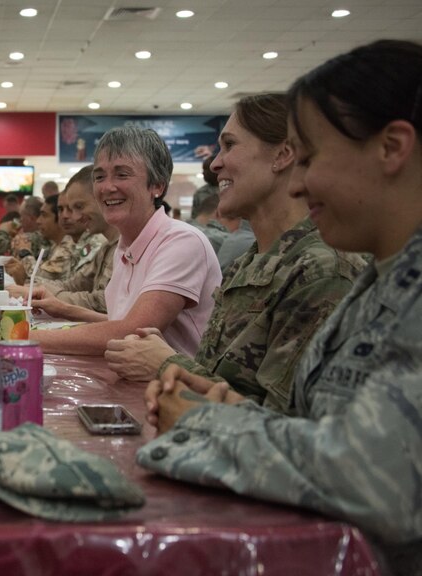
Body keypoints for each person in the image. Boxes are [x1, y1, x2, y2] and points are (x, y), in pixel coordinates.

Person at [137, 40, 422, 575]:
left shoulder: (343, 272)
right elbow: (316, 424)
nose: (297, 182)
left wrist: (205, 424)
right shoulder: (383, 282)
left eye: (310, 158)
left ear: (391, 147)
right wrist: (228, 409)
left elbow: (379, 478)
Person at [104, 94, 366, 416]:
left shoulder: (321, 272)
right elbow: (221, 377)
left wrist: (165, 364)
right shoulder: (250, 262)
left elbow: (287, 426)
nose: (215, 164)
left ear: (283, 154)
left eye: (229, 145)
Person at [28, 126, 221, 356]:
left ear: (157, 185)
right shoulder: (125, 247)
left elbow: (133, 332)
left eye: (122, 174)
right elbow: (119, 321)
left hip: (177, 389)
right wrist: (63, 310)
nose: (107, 187)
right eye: (100, 177)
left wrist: (22, 338)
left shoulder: (181, 241)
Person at [8, 165, 118, 315]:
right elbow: (74, 284)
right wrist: (33, 290)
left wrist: (42, 295)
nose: (74, 216)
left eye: (79, 207)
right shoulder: (107, 246)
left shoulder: (104, 244)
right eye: (62, 210)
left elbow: (101, 303)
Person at [5, 194, 75, 285]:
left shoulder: (69, 246)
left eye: (44, 215)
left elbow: (44, 279)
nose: (38, 221)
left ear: (59, 218)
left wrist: (24, 252)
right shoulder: (55, 245)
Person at [190, 155, 219, 220]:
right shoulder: (200, 192)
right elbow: (194, 217)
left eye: (206, 169)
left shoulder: (231, 190)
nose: (203, 173)